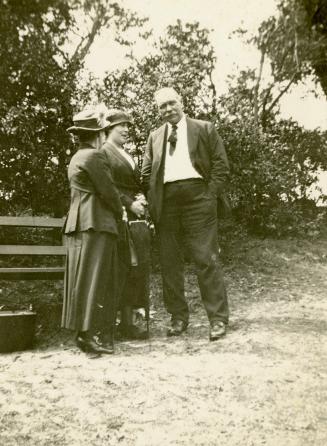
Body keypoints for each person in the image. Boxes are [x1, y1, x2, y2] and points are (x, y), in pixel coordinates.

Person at [141, 87, 230, 341]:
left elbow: (221, 165)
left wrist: (209, 194)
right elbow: (147, 172)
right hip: (167, 202)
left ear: (182, 102)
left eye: (171, 103)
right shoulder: (155, 136)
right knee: (170, 262)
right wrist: (152, 197)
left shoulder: (204, 128)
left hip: (198, 199)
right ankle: (178, 317)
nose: (168, 109)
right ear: (158, 111)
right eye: (162, 106)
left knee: (205, 258)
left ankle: (218, 319)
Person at [62, 105, 123, 354]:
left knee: (82, 278)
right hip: (96, 223)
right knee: (96, 279)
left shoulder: (76, 157)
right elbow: (108, 192)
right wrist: (122, 212)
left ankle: (83, 334)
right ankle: (88, 336)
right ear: (98, 135)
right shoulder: (95, 156)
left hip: (78, 224)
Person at [102, 109, 150, 340]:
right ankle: (117, 322)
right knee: (121, 268)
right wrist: (130, 204)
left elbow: (134, 183)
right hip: (117, 217)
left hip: (135, 218)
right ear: (108, 129)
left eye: (128, 126)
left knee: (136, 268)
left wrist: (141, 196)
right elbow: (108, 186)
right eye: (120, 126)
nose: (125, 130)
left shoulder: (126, 153)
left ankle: (132, 322)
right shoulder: (104, 153)